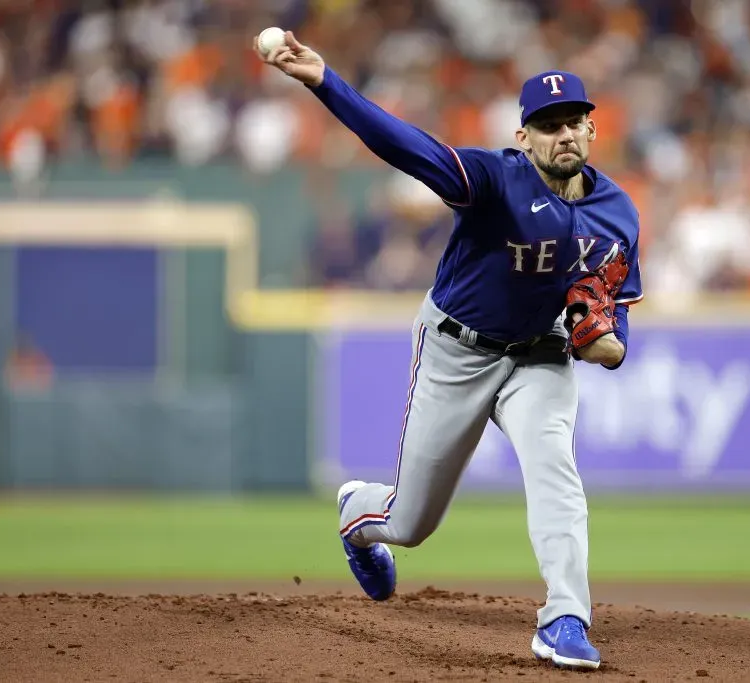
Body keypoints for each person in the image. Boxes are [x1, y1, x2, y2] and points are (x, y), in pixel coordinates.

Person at [255, 30, 643, 671]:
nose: (564, 133)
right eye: (548, 125)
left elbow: (613, 321)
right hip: (456, 349)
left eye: (574, 120)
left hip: (539, 354)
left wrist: (605, 346)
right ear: (525, 137)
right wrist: (326, 81)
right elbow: (405, 146)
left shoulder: (618, 213)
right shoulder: (495, 178)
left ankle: (565, 617)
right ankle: (359, 511)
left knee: (555, 470)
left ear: (592, 130)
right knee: (412, 523)